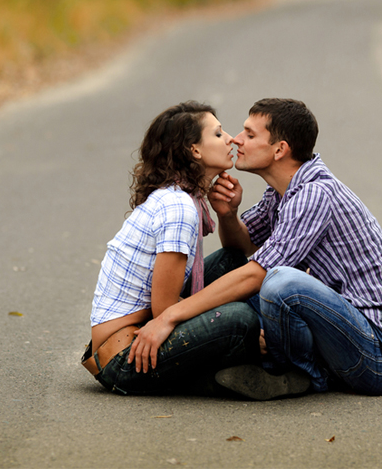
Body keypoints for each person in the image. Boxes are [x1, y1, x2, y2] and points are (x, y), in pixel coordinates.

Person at [128, 98, 382, 399]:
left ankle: (304, 376)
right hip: (350, 336)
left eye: (250, 135)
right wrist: (227, 214)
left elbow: (257, 274)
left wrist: (170, 315)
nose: (236, 140)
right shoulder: (283, 190)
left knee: (281, 283)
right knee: (240, 280)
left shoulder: (312, 194)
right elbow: (241, 249)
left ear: (279, 150)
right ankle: (245, 356)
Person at [82, 101, 262, 395]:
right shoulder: (178, 207)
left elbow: (233, 255)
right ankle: (219, 375)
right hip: (125, 357)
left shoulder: (185, 197)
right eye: (218, 134)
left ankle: (222, 370)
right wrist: (235, 321)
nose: (230, 139)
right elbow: (164, 308)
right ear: (194, 150)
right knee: (239, 320)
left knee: (232, 261)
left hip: (140, 333)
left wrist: (226, 212)